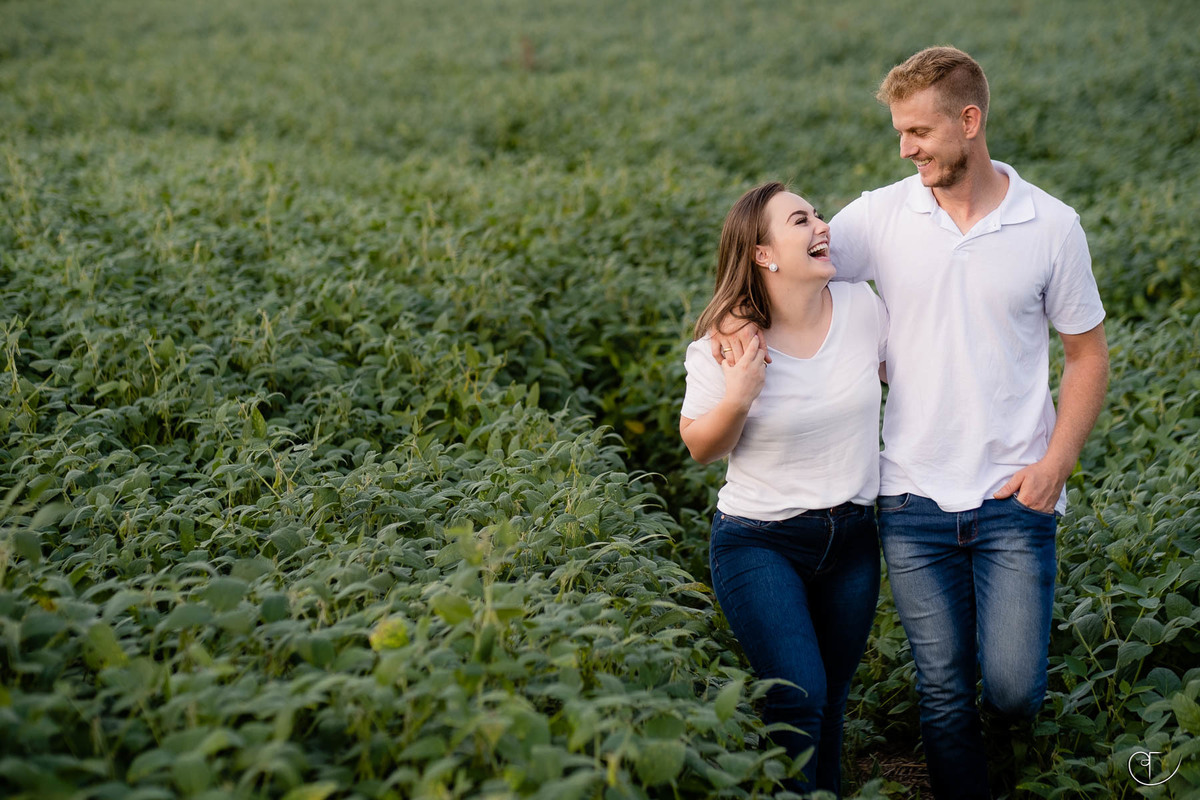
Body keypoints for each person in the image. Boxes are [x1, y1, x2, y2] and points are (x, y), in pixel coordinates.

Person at [712, 47, 1110, 798]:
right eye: (899, 132)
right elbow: (786, 265)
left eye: (920, 131)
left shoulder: (1052, 227)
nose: (906, 149)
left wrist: (1056, 465)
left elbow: (1088, 356)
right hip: (909, 499)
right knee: (943, 697)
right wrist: (736, 317)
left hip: (1015, 496)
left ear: (970, 121)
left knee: (1014, 690)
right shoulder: (881, 216)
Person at [680, 182, 889, 796]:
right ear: (763, 254)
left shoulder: (862, 308)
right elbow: (700, 447)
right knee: (800, 696)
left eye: (818, 214)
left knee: (830, 701)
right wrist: (740, 395)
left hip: (852, 539)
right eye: (801, 220)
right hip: (760, 543)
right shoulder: (728, 348)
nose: (821, 225)